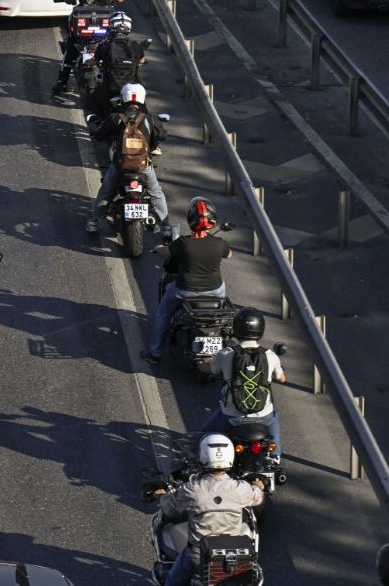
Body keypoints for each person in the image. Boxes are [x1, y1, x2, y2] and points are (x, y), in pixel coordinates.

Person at [156, 433, 265, 586]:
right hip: (232, 556)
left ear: (203, 456)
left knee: (173, 582)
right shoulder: (241, 489)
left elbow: (169, 509)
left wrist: (162, 496)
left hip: (198, 555)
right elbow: (257, 497)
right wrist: (257, 486)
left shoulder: (192, 489)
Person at [143, 197, 232, 365]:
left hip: (185, 291)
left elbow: (166, 252)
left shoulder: (183, 243)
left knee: (163, 314)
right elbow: (229, 254)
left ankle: (154, 353)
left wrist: (157, 248)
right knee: (222, 300)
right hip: (214, 290)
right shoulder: (220, 243)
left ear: (190, 220)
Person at [88, 83, 170, 238]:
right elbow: (163, 135)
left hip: (120, 166)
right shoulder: (149, 119)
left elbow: (99, 135)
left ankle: (93, 222)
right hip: (143, 166)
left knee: (106, 190)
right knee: (156, 192)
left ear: (124, 98)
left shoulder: (116, 118)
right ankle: (166, 226)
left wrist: (95, 130)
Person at [203, 308, 287, 459]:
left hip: (231, 417)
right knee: (274, 414)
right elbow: (282, 378)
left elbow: (210, 369)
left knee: (204, 434)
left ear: (237, 328)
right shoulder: (270, 355)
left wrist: (205, 360)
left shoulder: (226, 353)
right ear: (260, 329)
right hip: (263, 416)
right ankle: (275, 456)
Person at [51, 0, 111, 96]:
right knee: (110, 45)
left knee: (71, 48)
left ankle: (62, 82)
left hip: (82, 32)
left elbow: (71, 0)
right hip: (102, 32)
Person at [88, 11, 146, 116]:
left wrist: (89, 63)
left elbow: (94, 61)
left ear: (112, 26)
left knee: (93, 100)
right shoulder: (135, 45)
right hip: (131, 86)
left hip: (111, 87)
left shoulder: (105, 46)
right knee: (143, 108)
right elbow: (142, 60)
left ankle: (101, 123)